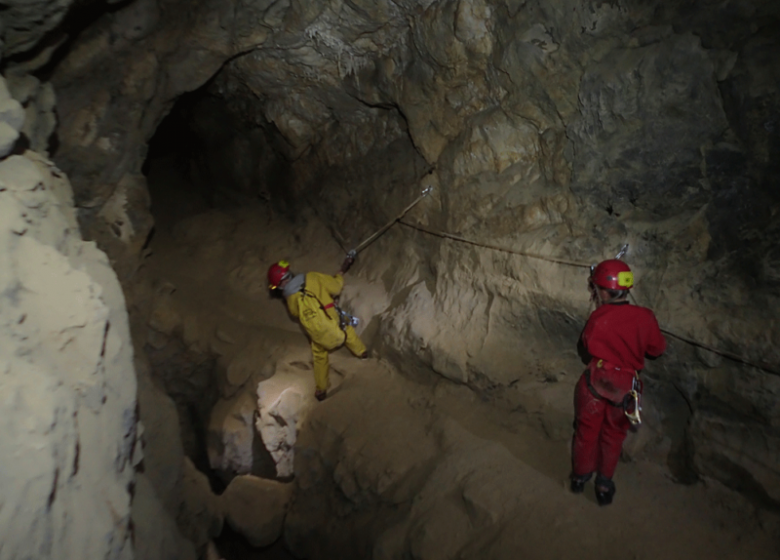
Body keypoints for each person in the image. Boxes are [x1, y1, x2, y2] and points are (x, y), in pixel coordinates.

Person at [570, 259, 666, 505]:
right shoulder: (646, 317)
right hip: (625, 388)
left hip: (596, 382)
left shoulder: (598, 318)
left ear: (603, 291)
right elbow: (656, 349)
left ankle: (580, 478)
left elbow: (586, 346)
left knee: (586, 432)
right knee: (613, 436)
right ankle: (603, 486)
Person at [267, 256, 367, 401]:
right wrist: (340, 274)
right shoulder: (312, 278)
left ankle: (321, 389)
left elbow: (295, 313)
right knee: (346, 328)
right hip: (337, 330)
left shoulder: (290, 300)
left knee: (319, 354)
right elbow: (336, 287)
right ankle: (362, 353)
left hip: (320, 337)